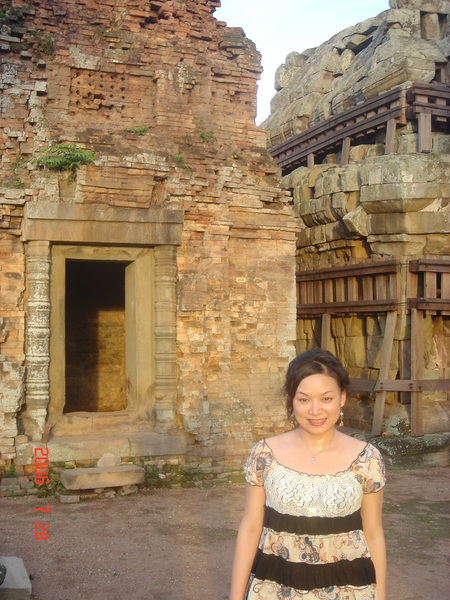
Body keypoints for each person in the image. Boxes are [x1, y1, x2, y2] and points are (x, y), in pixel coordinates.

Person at [229, 348, 386, 600]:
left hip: (348, 589)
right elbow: (250, 528)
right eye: (304, 400)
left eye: (326, 399)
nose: (315, 410)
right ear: (291, 401)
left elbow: (374, 534)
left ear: (342, 398)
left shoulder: (367, 460)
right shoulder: (264, 455)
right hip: (275, 588)